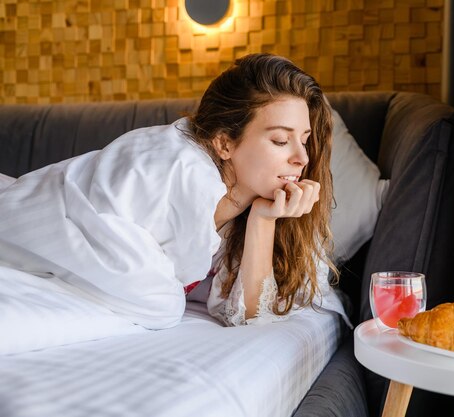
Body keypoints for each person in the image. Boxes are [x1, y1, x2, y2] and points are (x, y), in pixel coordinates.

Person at [0, 53, 348, 335]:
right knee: (161, 305)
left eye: (303, 139)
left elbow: (251, 317)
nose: (301, 158)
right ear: (224, 142)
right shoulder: (177, 166)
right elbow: (115, 253)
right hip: (24, 210)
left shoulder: (241, 198)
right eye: (280, 140)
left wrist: (262, 219)